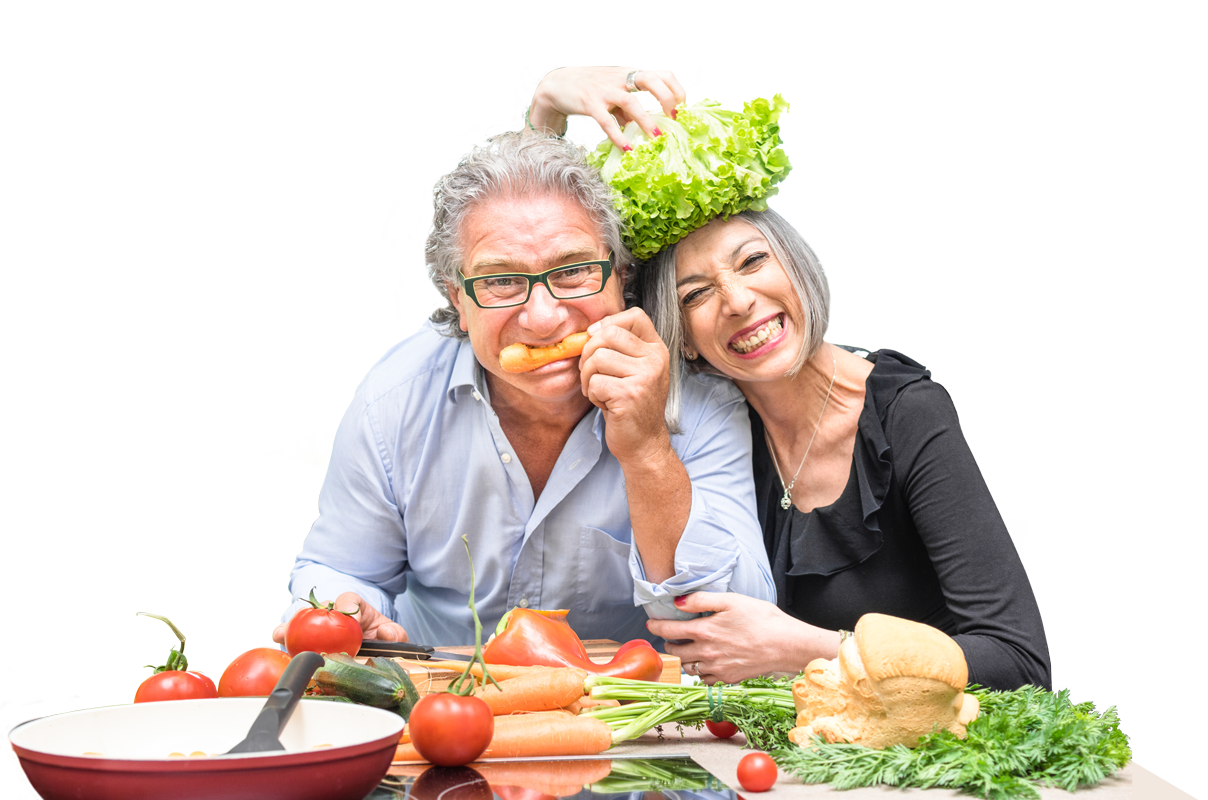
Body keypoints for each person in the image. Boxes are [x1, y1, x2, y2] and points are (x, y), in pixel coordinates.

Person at [520, 67, 1109, 690]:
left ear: (797, 265)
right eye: (697, 294)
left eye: (753, 261)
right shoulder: (715, 429)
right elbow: (541, 250)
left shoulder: (905, 411)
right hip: (893, 738)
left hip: (1044, 704)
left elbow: (1017, 660)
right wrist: (548, 111)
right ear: (683, 342)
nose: (740, 300)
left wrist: (806, 648)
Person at [272, 125, 774, 649]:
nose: (541, 318)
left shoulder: (700, 402)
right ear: (458, 301)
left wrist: (648, 449)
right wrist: (346, 608)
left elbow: (738, 623)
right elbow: (344, 570)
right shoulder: (393, 401)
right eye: (500, 281)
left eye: (574, 270)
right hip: (440, 704)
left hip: (621, 714)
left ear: (620, 277)